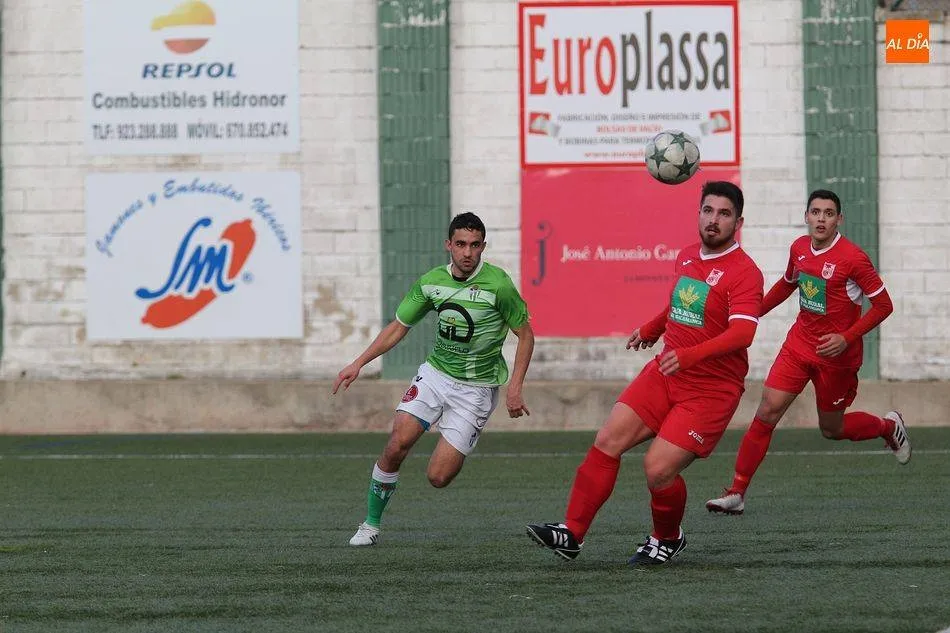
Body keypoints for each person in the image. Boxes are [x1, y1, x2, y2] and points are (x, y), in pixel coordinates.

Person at [526, 181, 763, 565]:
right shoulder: (687, 256)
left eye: (724, 214)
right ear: (698, 213)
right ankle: (572, 532)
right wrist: (653, 328)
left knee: (657, 469)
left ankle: (667, 538)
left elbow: (743, 333)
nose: (713, 220)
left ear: (738, 222)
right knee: (608, 439)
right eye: (708, 210)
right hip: (667, 372)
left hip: (711, 390)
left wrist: (689, 356)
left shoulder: (745, 272)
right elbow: (681, 304)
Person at [333, 212, 535, 546]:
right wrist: (359, 363)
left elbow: (526, 335)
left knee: (438, 477)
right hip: (436, 376)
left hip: (476, 389)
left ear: (483, 246)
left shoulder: (498, 285)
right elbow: (399, 326)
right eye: (461, 244)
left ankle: (459, 433)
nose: (467, 252)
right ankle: (370, 525)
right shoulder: (431, 282)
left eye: (474, 245)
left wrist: (515, 388)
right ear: (448, 245)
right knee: (397, 443)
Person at [706, 189, 908, 516]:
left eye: (828, 213)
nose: (821, 219)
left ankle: (887, 428)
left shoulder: (854, 258)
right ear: (806, 216)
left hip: (837, 358)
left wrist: (846, 337)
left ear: (839, 219)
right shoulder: (799, 248)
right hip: (799, 346)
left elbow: (884, 306)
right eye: (815, 212)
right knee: (767, 412)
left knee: (832, 429)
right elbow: (788, 283)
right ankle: (737, 492)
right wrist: (752, 312)